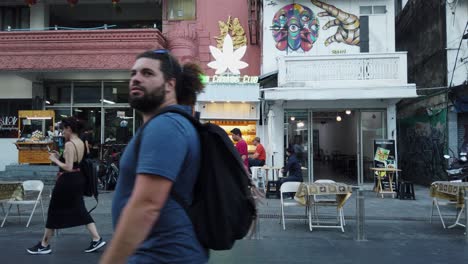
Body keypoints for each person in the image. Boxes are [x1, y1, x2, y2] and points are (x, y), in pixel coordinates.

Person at [100, 50, 207, 264]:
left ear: (169, 84)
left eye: (147, 73)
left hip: (163, 256)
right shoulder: (169, 123)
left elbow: (147, 204)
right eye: (133, 73)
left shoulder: (166, 126)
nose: (136, 78)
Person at [27, 117, 106, 255]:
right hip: (78, 179)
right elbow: (75, 162)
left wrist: (54, 160)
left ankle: (44, 244)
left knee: (54, 210)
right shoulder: (80, 142)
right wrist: (59, 156)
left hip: (68, 181)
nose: (62, 132)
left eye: (63, 129)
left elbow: (69, 167)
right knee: (80, 209)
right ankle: (96, 238)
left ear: (69, 129)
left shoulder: (69, 144)